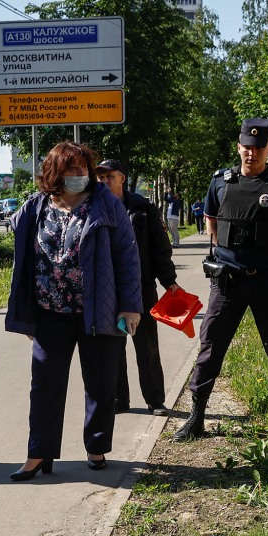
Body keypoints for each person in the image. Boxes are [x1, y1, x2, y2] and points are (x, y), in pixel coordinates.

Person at [4, 142, 142, 480]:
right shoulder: (36, 208)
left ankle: (96, 448)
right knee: (44, 385)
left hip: (100, 310)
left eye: (84, 168)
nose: (81, 175)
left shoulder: (105, 204)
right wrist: (25, 312)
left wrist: (130, 306)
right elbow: (22, 260)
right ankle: (39, 453)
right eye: (72, 169)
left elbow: (127, 255)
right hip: (49, 311)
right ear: (55, 173)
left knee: (100, 383)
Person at [173, 117, 268, 441]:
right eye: (247, 147)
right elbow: (210, 220)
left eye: (259, 148)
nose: (252, 153)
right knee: (210, 346)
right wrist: (224, 252)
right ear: (239, 147)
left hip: (266, 281)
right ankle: (197, 414)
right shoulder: (220, 181)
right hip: (228, 282)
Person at [95, 159, 179, 418]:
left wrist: (169, 281)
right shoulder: (93, 207)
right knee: (113, 347)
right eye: (101, 177)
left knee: (147, 346)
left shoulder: (142, 208)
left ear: (122, 178)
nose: (105, 181)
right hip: (107, 288)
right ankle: (120, 399)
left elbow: (159, 248)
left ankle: (155, 400)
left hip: (141, 287)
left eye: (110, 176)